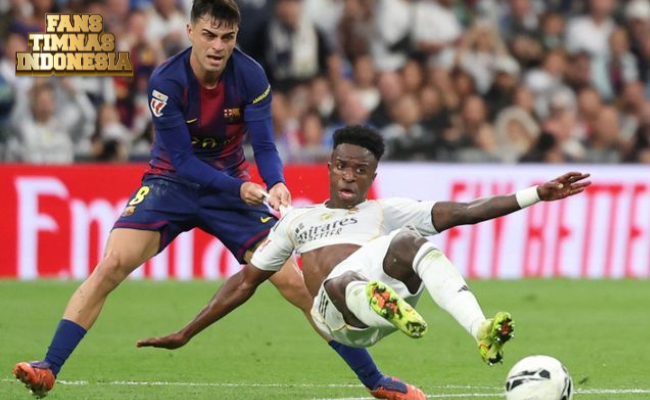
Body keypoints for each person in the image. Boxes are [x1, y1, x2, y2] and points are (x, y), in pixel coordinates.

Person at [13, 2, 397, 399]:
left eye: (227, 37)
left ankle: (377, 381)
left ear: (235, 37)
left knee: (296, 285)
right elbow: (182, 160)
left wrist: (277, 181)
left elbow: (264, 145)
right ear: (190, 31)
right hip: (170, 184)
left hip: (229, 189)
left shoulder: (250, 75)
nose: (218, 46)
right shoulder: (166, 81)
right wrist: (237, 188)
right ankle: (48, 367)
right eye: (209, 35)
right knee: (111, 265)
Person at [136, 125, 592, 399]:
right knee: (343, 278)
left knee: (410, 241)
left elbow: (466, 211)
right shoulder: (297, 220)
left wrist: (537, 194)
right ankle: (372, 297)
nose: (349, 176)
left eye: (360, 170)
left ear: (373, 175)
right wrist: (186, 332)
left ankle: (480, 330)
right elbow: (246, 282)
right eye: (342, 166)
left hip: (383, 308)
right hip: (336, 318)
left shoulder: (384, 210)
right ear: (329, 166)